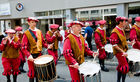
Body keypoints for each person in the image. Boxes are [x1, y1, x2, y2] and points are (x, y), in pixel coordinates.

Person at [21, 17, 51, 82]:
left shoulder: (39, 31)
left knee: (39, 72)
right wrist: (29, 55)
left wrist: (48, 46)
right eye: (32, 22)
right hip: (31, 55)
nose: (34, 23)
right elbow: (23, 47)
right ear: (28, 23)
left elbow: (43, 42)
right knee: (32, 72)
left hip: (39, 54)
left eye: (35, 22)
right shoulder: (26, 33)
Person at [110, 17, 129, 82]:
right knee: (125, 67)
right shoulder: (115, 31)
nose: (126, 22)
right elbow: (114, 45)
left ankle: (118, 80)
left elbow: (122, 40)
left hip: (123, 51)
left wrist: (129, 42)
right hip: (119, 52)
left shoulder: (122, 29)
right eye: (124, 21)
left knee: (121, 66)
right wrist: (123, 51)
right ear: (120, 22)